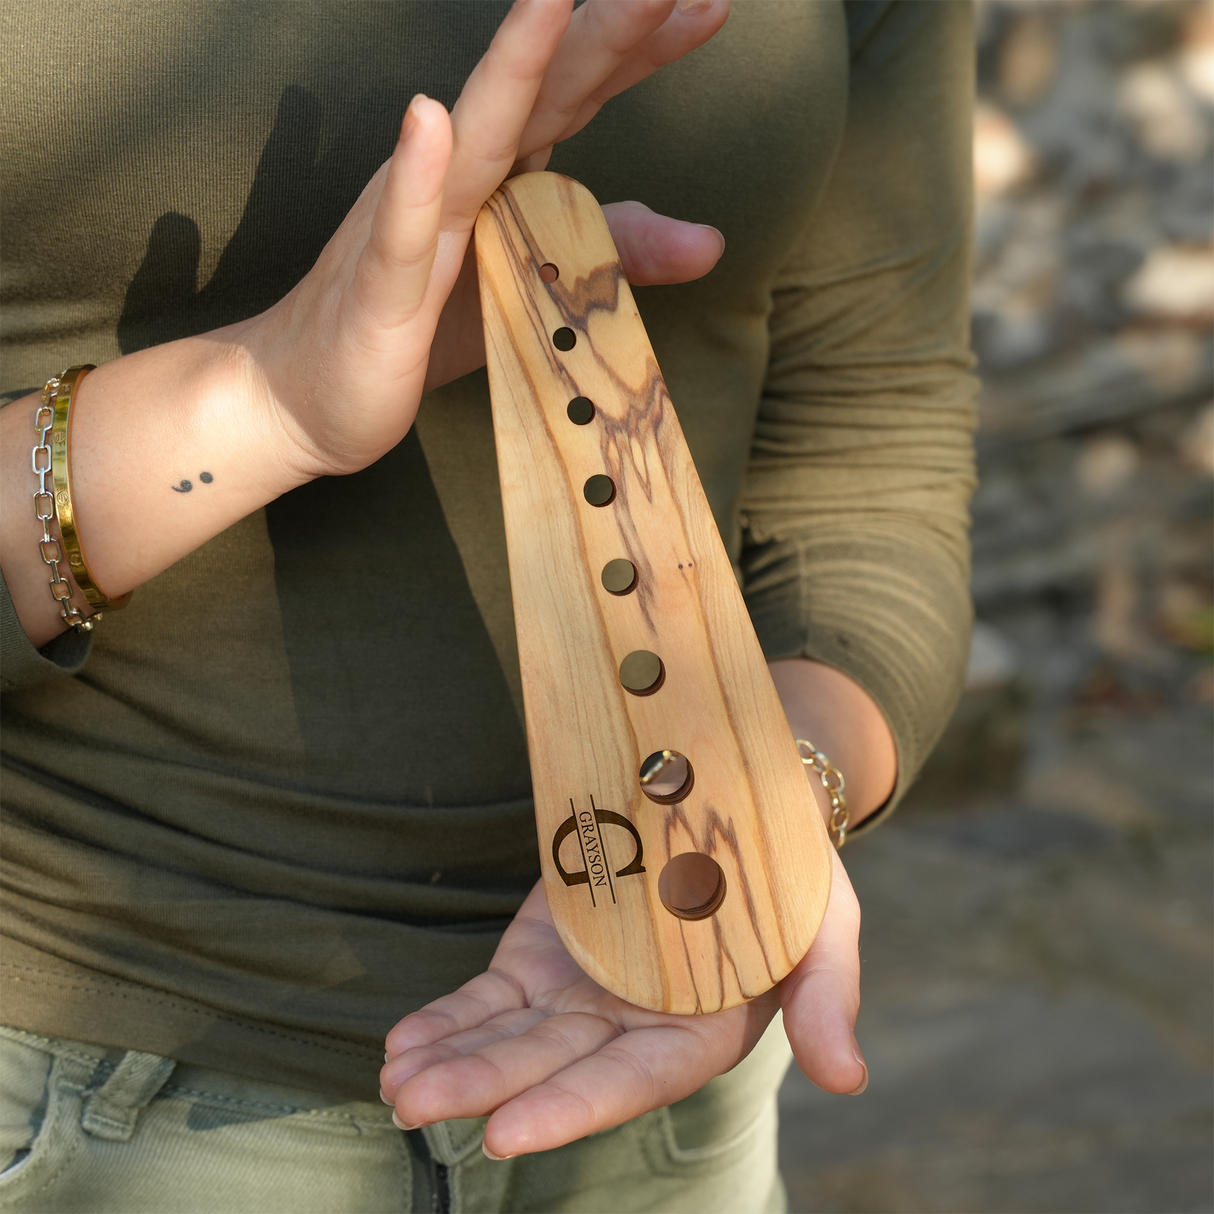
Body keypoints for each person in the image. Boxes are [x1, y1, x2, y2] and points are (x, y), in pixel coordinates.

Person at [0, 0, 977, 1209]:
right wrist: (261, 401)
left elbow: (866, 446)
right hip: (72, 1092)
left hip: (664, 1085)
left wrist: (775, 789)